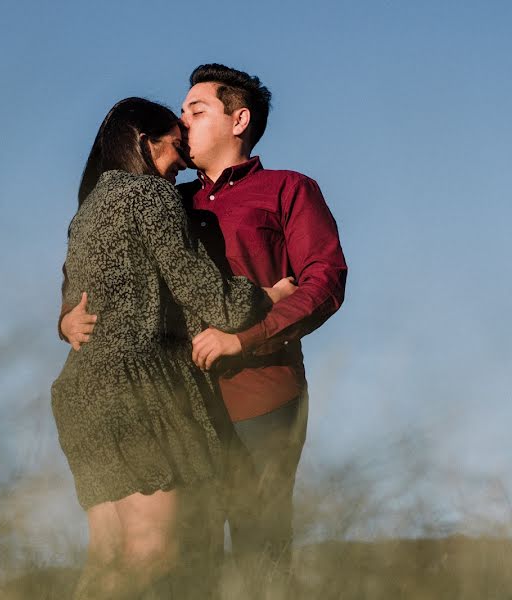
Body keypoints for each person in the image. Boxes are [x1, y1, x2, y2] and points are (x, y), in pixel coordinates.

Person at [61, 65, 348, 574]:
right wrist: (66, 315)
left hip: (259, 393)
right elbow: (94, 261)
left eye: (196, 110)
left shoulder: (288, 189)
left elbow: (324, 283)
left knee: (261, 549)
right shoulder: (164, 196)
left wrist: (247, 339)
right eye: (181, 111)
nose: (183, 119)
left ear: (239, 121)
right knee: (187, 560)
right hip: (175, 401)